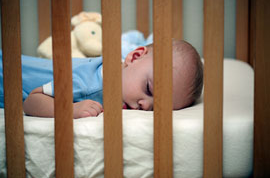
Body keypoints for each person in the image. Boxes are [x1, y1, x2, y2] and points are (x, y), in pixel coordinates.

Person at [0, 39, 203, 118]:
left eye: (156, 107)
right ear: (134, 57)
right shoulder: (90, 83)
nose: (145, 105)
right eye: (149, 89)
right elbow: (31, 101)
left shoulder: (118, 75)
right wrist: (71, 109)